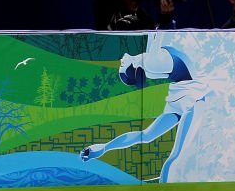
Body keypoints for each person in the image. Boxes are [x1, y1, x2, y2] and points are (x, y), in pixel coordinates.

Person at [80, 44, 209, 183]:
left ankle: (163, 189)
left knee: (174, 153)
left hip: (185, 96)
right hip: (186, 97)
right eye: (123, 67)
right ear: (133, 67)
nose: (121, 62)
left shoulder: (148, 63)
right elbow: (157, 38)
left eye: (121, 68)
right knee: (162, 145)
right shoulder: (150, 63)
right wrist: (104, 148)